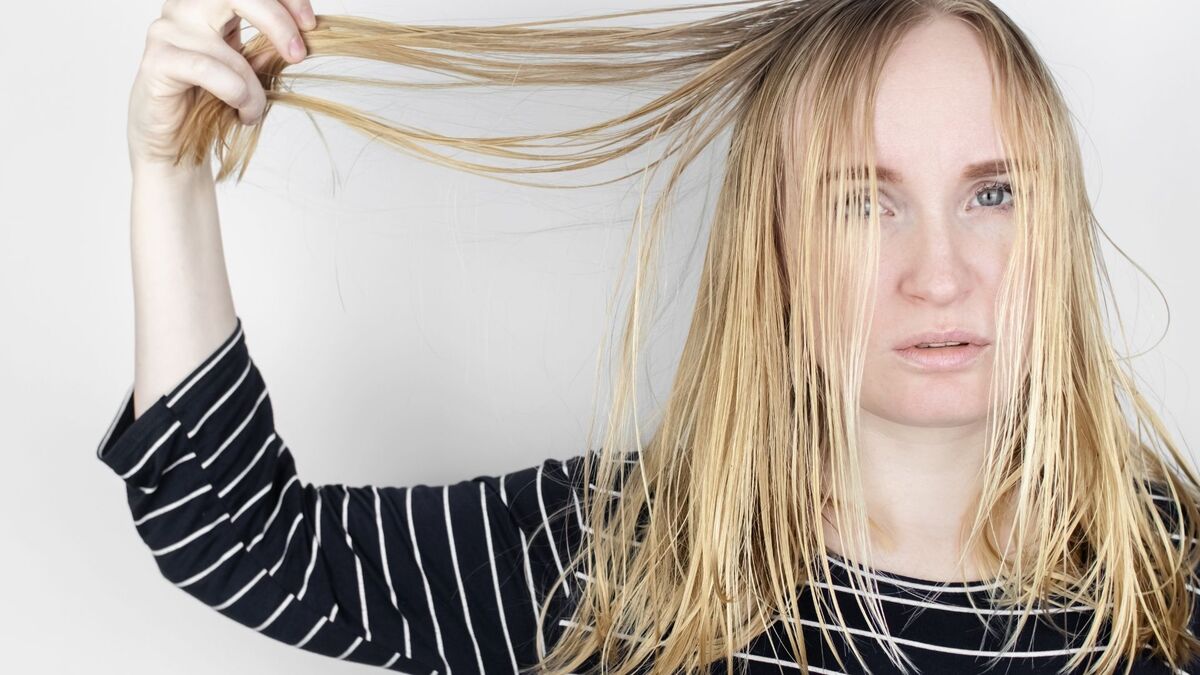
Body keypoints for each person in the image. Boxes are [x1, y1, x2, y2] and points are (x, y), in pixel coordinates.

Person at [97, 0, 1200, 673]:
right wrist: (171, 171)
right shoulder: (620, 561)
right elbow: (236, 537)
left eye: (994, 193)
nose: (941, 272)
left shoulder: (1178, 581)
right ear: (771, 242)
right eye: (863, 202)